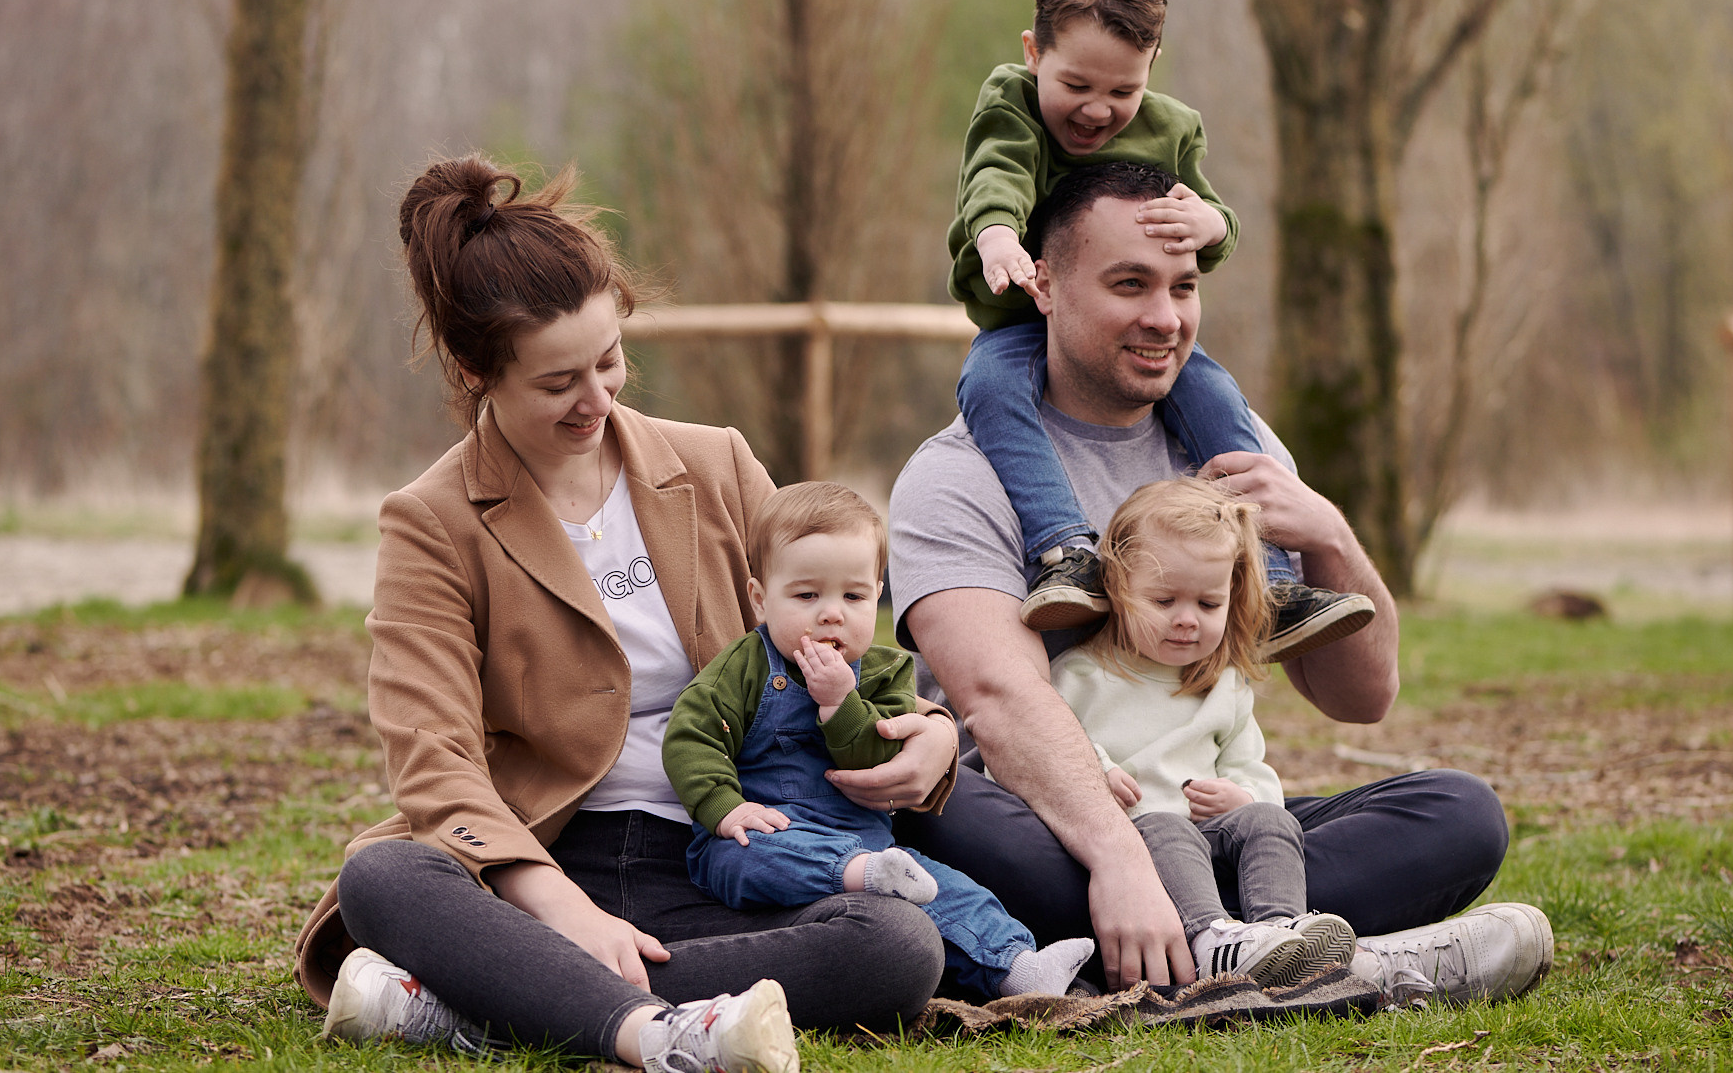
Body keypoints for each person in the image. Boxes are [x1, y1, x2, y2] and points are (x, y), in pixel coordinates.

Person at [291, 156, 960, 1072]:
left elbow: (833, 629)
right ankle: (653, 1030)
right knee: (382, 876)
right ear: (473, 369)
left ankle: (499, 1000)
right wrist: (564, 913)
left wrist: (927, 730)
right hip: (547, 866)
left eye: (609, 361)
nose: (598, 399)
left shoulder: (717, 463)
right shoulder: (431, 522)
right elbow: (434, 762)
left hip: (722, 847)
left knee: (896, 945)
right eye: (559, 381)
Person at [892, 160, 1550, 1004]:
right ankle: (1343, 960)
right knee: (936, 808)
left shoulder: (1237, 448)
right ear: (1045, 286)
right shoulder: (958, 476)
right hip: (1050, 833)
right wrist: (1120, 859)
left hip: (1205, 822)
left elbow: (1363, 696)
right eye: (1130, 284)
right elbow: (1000, 701)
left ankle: (1227, 947)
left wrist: (1329, 532)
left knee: (1459, 813)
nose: (1164, 318)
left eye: (1183, 286)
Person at [947, 0, 1371, 657]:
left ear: (1151, 70)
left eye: (1123, 91)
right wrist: (994, 236)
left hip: (1129, 333)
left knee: (1209, 393)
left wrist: (1211, 224)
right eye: (1077, 85)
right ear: (1033, 52)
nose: (1097, 110)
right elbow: (998, 174)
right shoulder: (1011, 103)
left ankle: (1268, 576)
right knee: (987, 383)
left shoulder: (1172, 127)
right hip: (1024, 317)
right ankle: (1064, 553)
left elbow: (1211, 215)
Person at [664, 482, 1096, 1001]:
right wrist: (723, 808)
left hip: (872, 845)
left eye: (853, 596)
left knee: (949, 889)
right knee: (746, 857)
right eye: (806, 596)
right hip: (760, 831)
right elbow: (690, 736)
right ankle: (858, 874)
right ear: (760, 598)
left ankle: (1020, 968)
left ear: (877, 591)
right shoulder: (744, 668)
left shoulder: (885, 674)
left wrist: (840, 704)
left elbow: (879, 754)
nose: (832, 613)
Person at [1052, 477, 1355, 988]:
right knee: (1166, 826)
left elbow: (1251, 768)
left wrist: (1243, 796)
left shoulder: (1225, 684)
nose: (1187, 621)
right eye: (1165, 600)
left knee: (1270, 821)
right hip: (1132, 841)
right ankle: (1213, 939)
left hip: (1209, 835)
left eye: (1208, 605)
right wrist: (1096, 770)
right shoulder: (1080, 674)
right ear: (1119, 586)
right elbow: (1036, 751)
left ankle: (1280, 933)